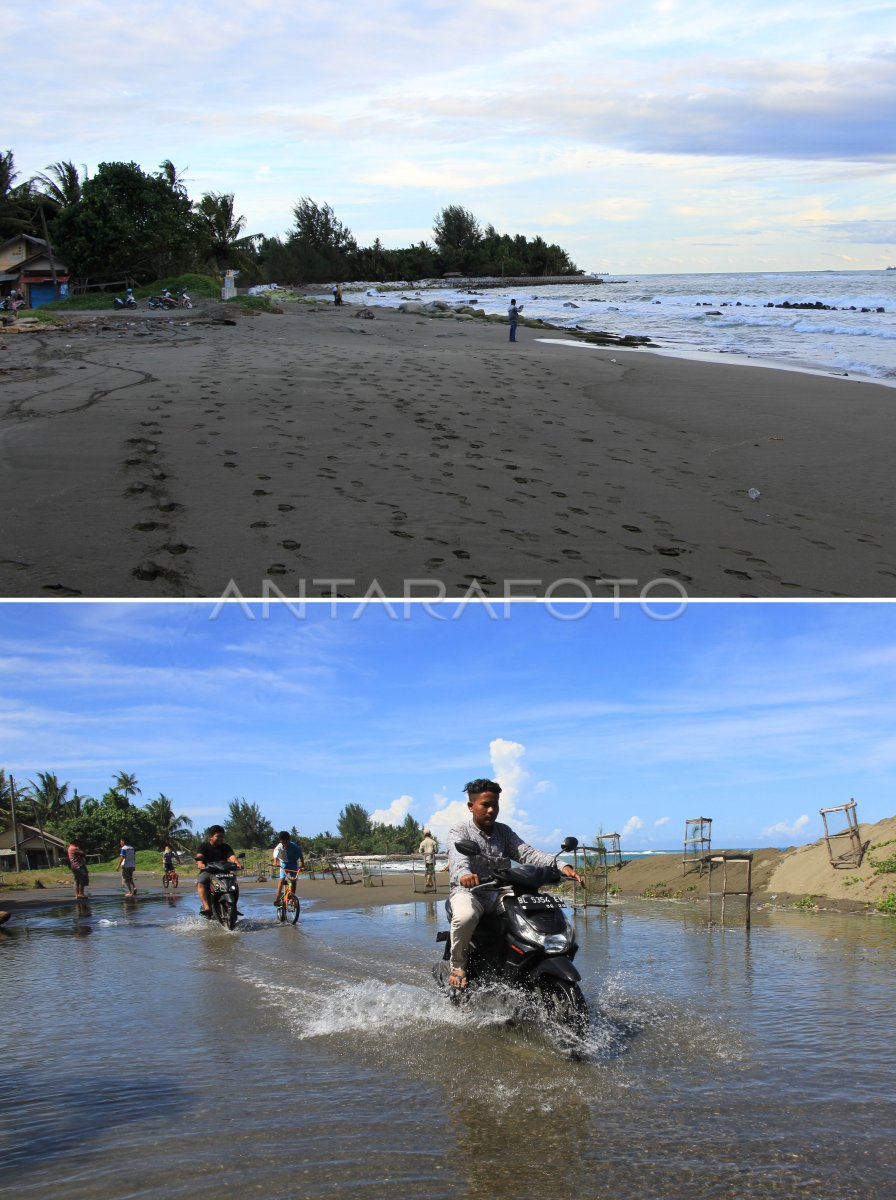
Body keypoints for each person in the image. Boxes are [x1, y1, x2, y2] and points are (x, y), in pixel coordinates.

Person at [446, 778, 583, 990]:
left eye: (495, 805)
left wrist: (561, 866)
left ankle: (525, 965)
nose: (491, 810)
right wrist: (465, 874)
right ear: (471, 806)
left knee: (535, 911)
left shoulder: (504, 832)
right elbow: (458, 860)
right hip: (471, 891)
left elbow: (527, 853)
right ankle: (458, 965)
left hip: (501, 892)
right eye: (485, 805)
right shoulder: (460, 832)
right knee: (466, 916)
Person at [195, 825, 242, 918]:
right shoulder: (204, 846)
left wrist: (237, 863)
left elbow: (232, 856)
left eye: (222, 837)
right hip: (208, 871)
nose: (221, 839)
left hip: (224, 871)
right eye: (218, 836)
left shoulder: (226, 847)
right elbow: (199, 856)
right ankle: (206, 907)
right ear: (211, 837)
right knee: (200, 883)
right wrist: (200, 863)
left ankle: (234, 908)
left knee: (234, 885)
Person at [272, 830, 304, 906]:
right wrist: (275, 862)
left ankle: (292, 897)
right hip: (284, 864)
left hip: (293, 863)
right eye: (282, 842)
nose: (284, 844)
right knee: (282, 880)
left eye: (285, 842)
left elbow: (300, 855)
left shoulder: (294, 846)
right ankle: (277, 898)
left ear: (289, 840)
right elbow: (275, 856)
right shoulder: (279, 847)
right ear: (280, 841)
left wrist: (303, 864)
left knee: (293, 880)